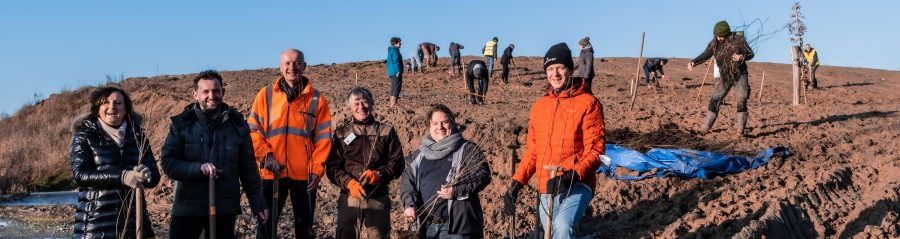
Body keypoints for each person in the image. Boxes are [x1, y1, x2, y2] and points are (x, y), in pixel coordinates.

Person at [502, 43, 605, 239]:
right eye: (550, 69)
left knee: (563, 225)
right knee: (550, 232)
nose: (555, 74)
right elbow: (533, 151)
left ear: (570, 69)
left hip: (577, 182)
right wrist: (516, 183)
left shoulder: (588, 103)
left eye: (560, 68)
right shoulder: (539, 107)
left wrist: (571, 175)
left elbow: (596, 150)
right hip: (547, 185)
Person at [159, 70, 267, 239]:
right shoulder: (181, 125)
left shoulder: (238, 126)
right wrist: (198, 169)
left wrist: (258, 203)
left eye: (216, 91)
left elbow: (248, 170)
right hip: (188, 207)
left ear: (223, 92)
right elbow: (168, 162)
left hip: (224, 209)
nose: (212, 96)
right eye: (206, 91)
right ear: (195, 94)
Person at [248, 49, 334, 239]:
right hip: (272, 172)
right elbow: (253, 131)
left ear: (304, 66)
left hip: (305, 175)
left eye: (296, 63)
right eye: (287, 63)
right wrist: (266, 156)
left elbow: (323, 138)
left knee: (305, 229)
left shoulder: (317, 98)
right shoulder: (265, 95)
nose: (292, 68)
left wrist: (316, 170)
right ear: (280, 66)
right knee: (265, 227)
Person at [71, 87, 161, 239]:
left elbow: (155, 177)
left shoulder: (138, 136)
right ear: (97, 108)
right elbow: (81, 175)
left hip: (134, 223)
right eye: (106, 102)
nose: (112, 107)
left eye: (118, 103)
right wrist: (123, 176)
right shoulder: (84, 136)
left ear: (126, 109)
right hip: (96, 223)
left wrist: (147, 175)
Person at [400, 104, 492, 239]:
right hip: (427, 227)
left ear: (452, 123)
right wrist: (409, 204)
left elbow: (483, 175)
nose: (440, 127)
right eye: (435, 123)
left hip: (458, 229)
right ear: (429, 126)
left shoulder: (467, 149)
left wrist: (456, 190)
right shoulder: (420, 154)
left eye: (445, 122)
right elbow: (407, 182)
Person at [326, 87, 406, 239]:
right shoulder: (341, 133)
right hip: (350, 198)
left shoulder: (386, 131)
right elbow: (332, 167)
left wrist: (379, 175)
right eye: (356, 103)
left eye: (365, 102)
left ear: (372, 104)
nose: (361, 107)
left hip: (378, 197)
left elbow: (397, 162)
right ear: (350, 107)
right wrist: (349, 183)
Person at [688, 20, 755, 136]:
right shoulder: (714, 43)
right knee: (715, 100)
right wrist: (694, 62)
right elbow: (706, 54)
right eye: (717, 35)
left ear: (727, 34)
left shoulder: (738, 39)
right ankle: (704, 128)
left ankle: (740, 132)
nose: (718, 38)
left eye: (721, 36)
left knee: (741, 101)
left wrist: (741, 57)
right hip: (725, 76)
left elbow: (751, 54)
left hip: (740, 74)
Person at [387, 37, 405, 107]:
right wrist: (398, 71)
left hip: (391, 72)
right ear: (395, 43)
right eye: (399, 42)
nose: (400, 44)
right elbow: (396, 61)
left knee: (393, 88)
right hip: (396, 72)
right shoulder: (395, 51)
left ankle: (391, 104)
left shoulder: (390, 51)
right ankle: (393, 105)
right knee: (397, 88)